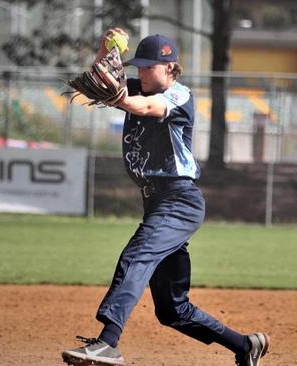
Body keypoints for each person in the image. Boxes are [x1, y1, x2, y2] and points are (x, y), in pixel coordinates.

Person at [61, 29, 270, 366]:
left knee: (137, 255)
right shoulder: (136, 87)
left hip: (180, 201)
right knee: (173, 309)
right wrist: (103, 49)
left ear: (170, 67)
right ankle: (245, 345)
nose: (141, 73)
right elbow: (92, 81)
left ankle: (107, 343)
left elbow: (142, 106)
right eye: (138, 67)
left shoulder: (178, 96)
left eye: (149, 67)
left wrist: (120, 99)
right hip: (158, 205)